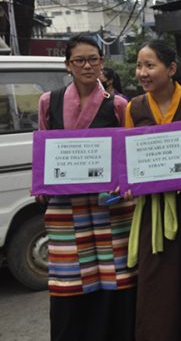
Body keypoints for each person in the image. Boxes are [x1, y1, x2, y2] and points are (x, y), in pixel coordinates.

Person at [36, 34, 136, 341]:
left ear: (102, 63)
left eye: (94, 59)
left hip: (110, 207)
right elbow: (44, 148)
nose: (87, 66)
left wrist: (125, 183)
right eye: (79, 60)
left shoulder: (118, 104)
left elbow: (128, 154)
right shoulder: (48, 102)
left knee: (114, 276)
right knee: (69, 280)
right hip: (66, 208)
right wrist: (41, 183)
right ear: (68, 65)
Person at [124, 39, 181, 341]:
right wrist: (129, 184)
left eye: (150, 65)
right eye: (139, 66)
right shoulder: (134, 107)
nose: (142, 72)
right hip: (152, 211)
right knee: (156, 280)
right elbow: (128, 156)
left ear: (171, 68)